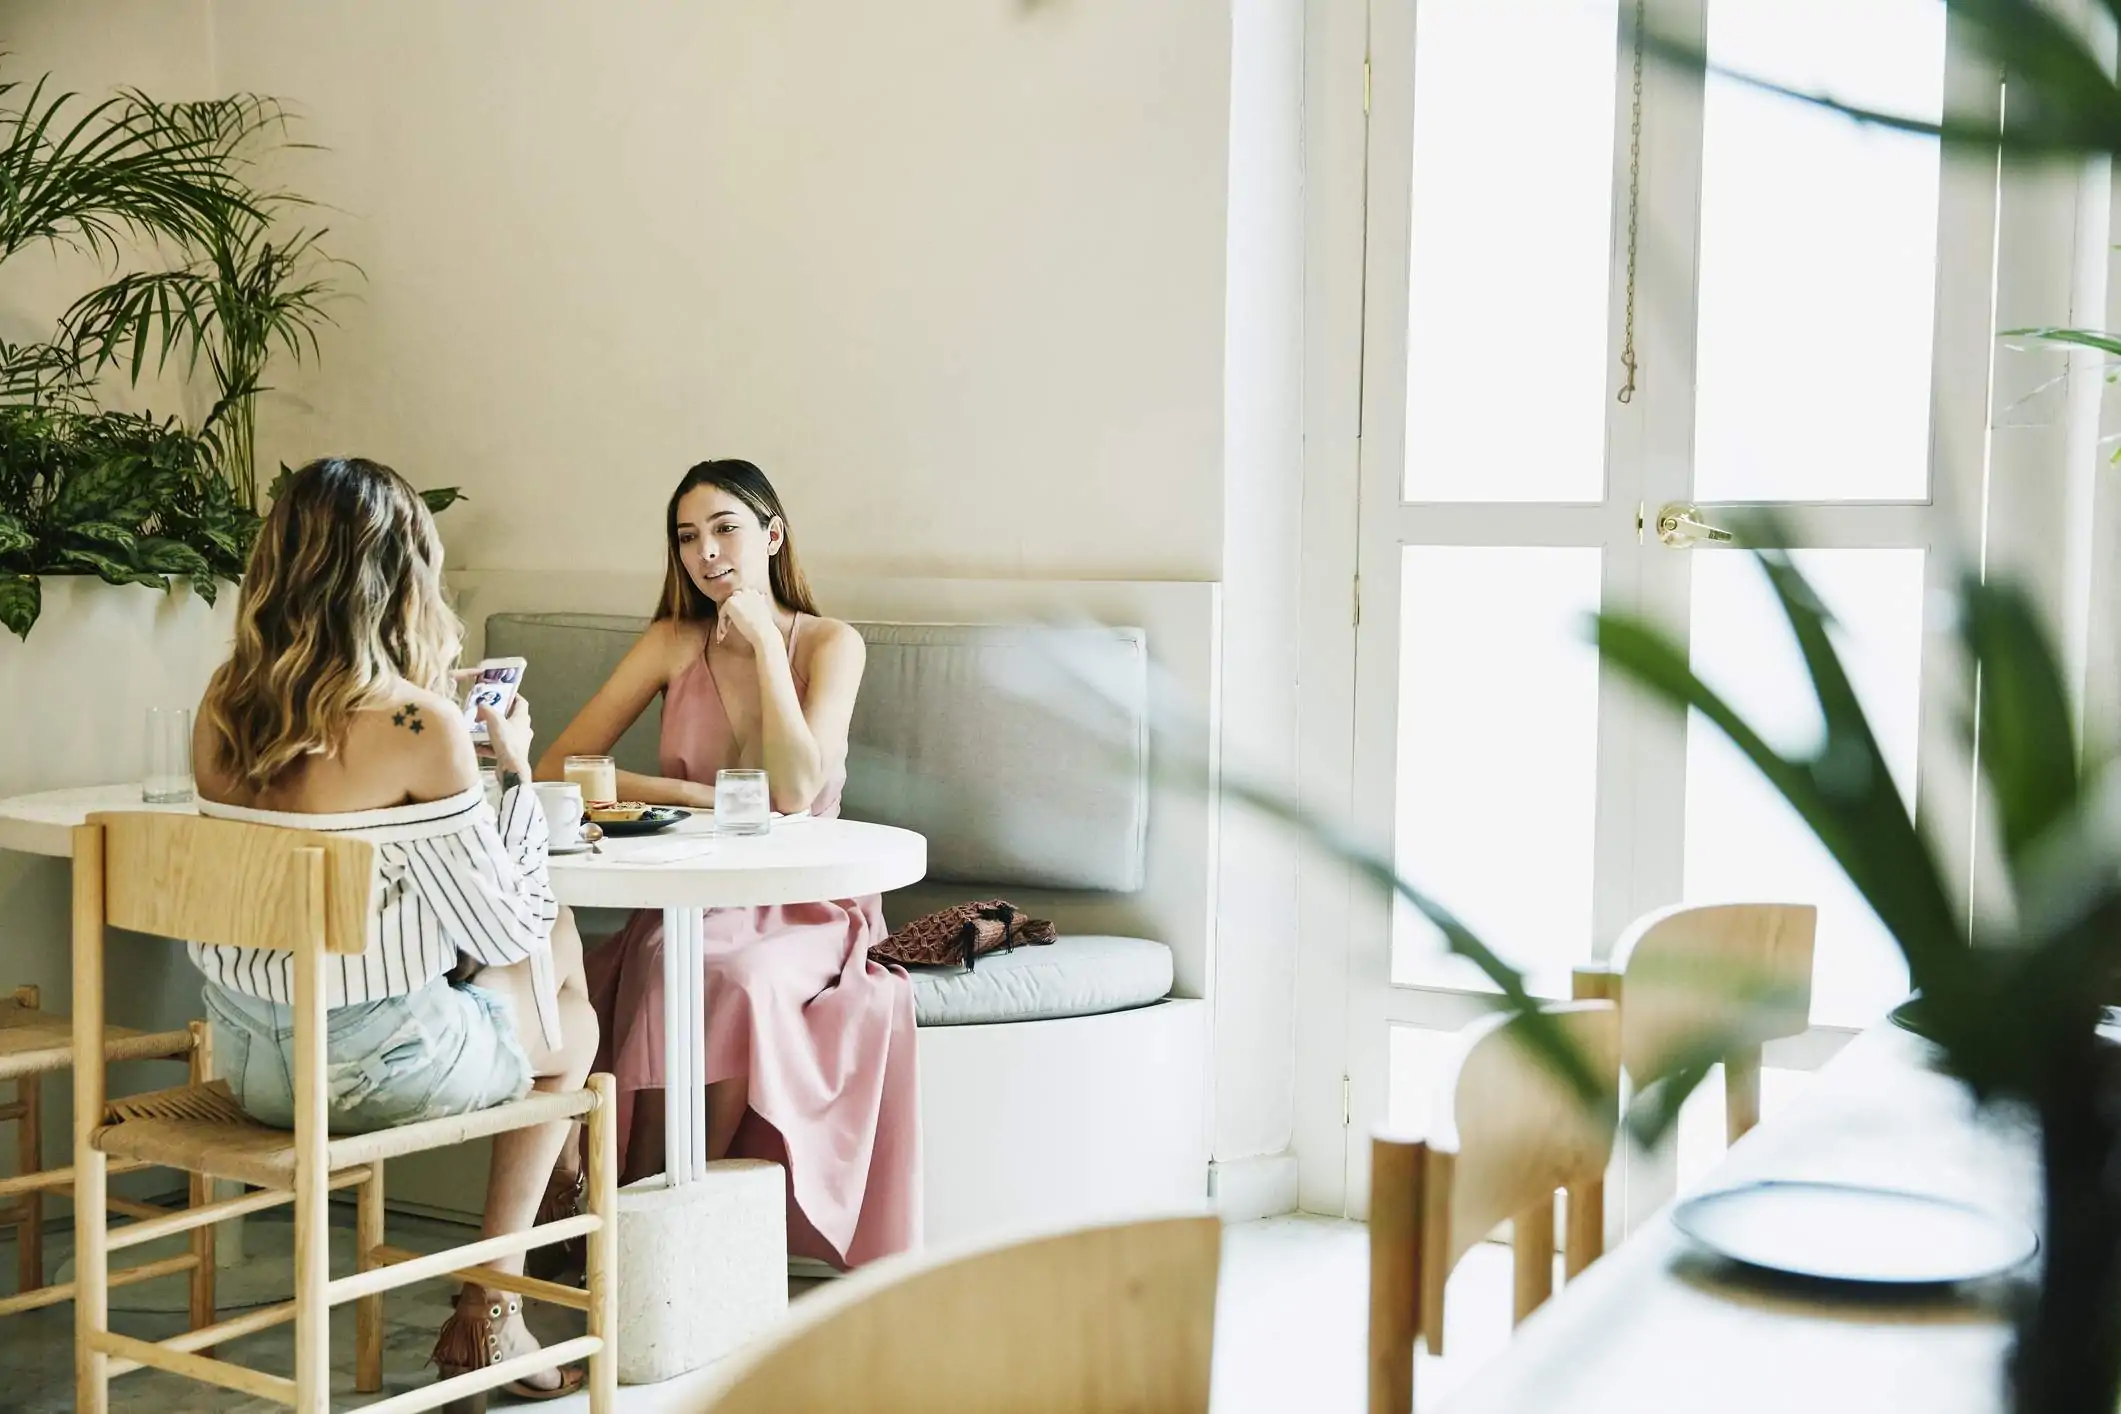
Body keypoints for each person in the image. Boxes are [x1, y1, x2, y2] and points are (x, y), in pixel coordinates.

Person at [192, 456, 595, 1402]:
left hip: (250, 1067)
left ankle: (504, 1292)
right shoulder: (419, 727)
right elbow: (500, 929)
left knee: (554, 951)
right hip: (371, 1077)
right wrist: (515, 774)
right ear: (401, 576)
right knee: (570, 1008)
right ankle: (494, 1306)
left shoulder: (222, 708)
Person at [539, 457, 919, 1268]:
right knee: (669, 960)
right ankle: (633, 1226)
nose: (706, 552)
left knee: (738, 978)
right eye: (687, 538)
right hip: (689, 894)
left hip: (809, 906)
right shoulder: (672, 643)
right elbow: (560, 765)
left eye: (724, 529)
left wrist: (765, 649)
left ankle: (668, 1226)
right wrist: (708, 801)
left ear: (772, 536)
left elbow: (794, 789)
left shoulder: (830, 644)